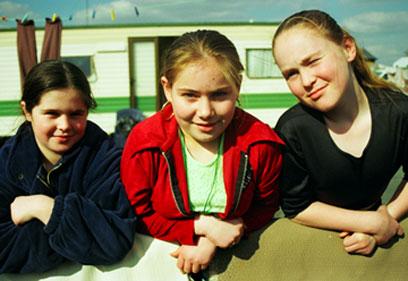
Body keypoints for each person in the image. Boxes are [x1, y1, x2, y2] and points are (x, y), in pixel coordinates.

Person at [121, 29, 283, 276]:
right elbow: (138, 212)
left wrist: (214, 240)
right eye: (190, 96)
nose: (206, 111)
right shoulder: (145, 144)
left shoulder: (261, 145)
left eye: (219, 94)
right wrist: (200, 227)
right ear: (167, 88)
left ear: (237, 86)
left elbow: (266, 205)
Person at [273, 9, 408, 256]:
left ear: (347, 48)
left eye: (312, 61)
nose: (306, 81)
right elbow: (296, 207)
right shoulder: (292, 130)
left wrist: (387, 217)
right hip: (317, 248)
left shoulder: (399, 111)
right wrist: (369, 223)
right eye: (291, 73)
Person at [0, 60, 136, 273]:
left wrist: (46, 208)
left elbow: (113, 241)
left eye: (75, 114)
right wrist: (77, 236)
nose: (64, 126)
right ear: (27, 111)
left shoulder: (106, 158)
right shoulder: (6, 162)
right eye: (52, 114)